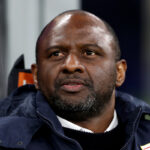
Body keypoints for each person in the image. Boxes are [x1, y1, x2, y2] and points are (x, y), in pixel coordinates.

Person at [0, 10, 150, 150]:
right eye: (56, 54)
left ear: (119, 72)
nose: (71, 65)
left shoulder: (145, 131)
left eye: (89, 52)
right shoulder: (6, 139)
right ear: (36, 76)